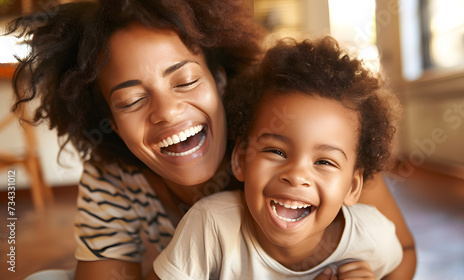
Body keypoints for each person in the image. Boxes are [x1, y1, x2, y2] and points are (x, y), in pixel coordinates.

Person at [7, 0, 415, 279]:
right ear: (109, 120)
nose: (166, 112)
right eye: (131, 100)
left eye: (185, 80)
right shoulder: (112, 177)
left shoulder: (304, 137)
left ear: (219, 80)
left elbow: (401, 251)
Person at [152, 37, 404, 280]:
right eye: (277, 152)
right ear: (240, 158)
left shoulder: (371, 236)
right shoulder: (210, 225)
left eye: (324, 162)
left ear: (352, 187)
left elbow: (404, 259)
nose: (296, 175)